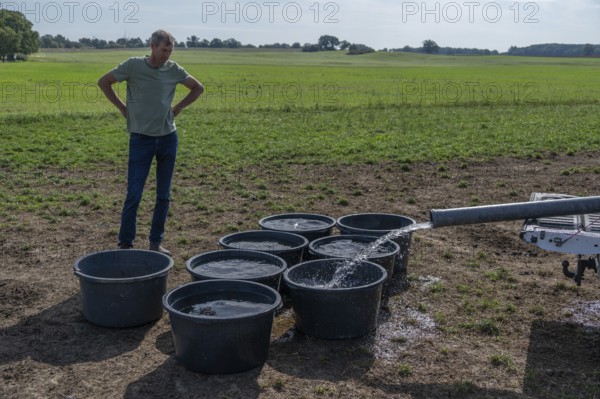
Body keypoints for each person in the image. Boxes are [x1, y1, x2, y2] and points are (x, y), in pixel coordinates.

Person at [98, 29, 204, 256]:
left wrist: (178, 108)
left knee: (163, 195)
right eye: (164, 50)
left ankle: (156, 242)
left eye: (170, 51)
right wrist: (122, 108)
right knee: (134, 193)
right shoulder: (133, 66)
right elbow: (104, 82)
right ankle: (125, 244)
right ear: (152, 46)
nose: (167, 54)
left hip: (168, 138)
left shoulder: (173, 69)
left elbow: (198, 88)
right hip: (141, 139)